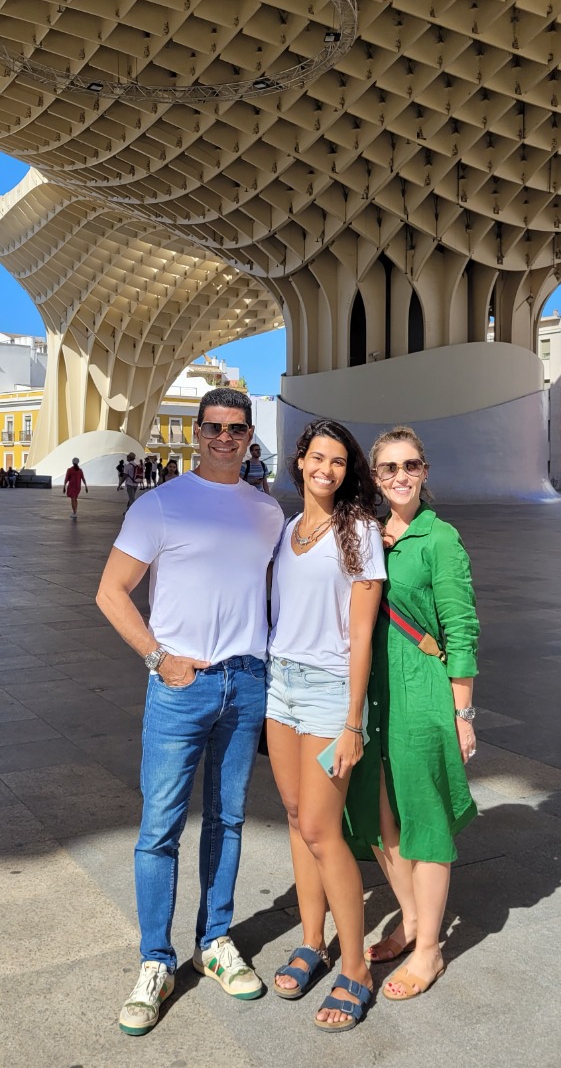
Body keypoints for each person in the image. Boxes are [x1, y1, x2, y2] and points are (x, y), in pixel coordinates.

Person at [96, 388, 284, 1037]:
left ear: (249, 435)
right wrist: (159, 659)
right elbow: (110, 592)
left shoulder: (266, 511)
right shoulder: (161, 505)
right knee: (160, 826)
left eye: (235, 428)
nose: (224, 438)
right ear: (197, 433)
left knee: (228, 819)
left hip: (246, 681)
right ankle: (155, 959)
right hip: (181, 686)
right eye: (213, 428)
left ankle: (216, 941)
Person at [345, 425, 479, 1002]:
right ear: (375, 478)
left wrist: (463, 711)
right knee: (374, 812)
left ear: (425, 471)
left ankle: (429, 951)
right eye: (389, 468)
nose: (401, 476)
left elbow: (461, 628)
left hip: (422, 688)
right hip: (372, 691)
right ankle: (410, 917)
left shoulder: (440, 539)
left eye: (411, 466)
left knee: (423, 818)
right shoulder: (369, 535)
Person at [267, 419, 386, 1032]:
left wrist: (352, 721)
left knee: (321, 828)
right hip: (280, 685)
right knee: (293, 816)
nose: (327, 470)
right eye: (319, 457)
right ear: (300, 460)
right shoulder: (290, 529)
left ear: (348, 470)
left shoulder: (359, 530)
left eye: (339, 462)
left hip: (326, 691)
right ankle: (313, 941)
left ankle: (356, 968)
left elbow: (362, 633)